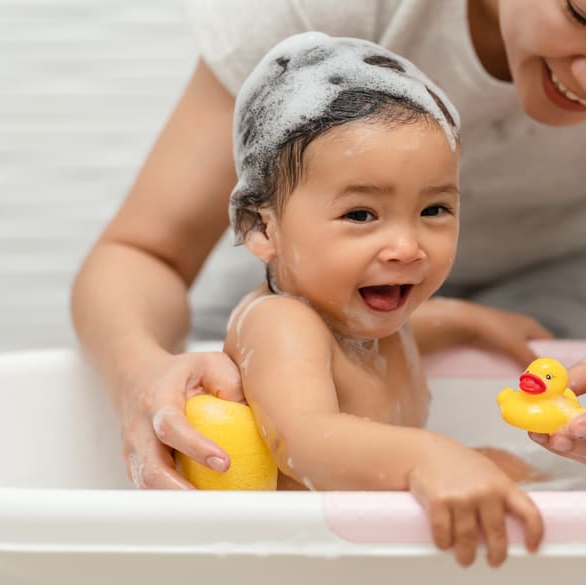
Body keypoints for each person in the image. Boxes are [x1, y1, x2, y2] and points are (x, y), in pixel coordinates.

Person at [71, 0, 586, 492]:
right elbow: (143, 252)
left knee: (543, 462)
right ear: (262, 228)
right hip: (314, 265)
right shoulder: (314, 10)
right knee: (217, 417)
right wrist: (141, 372)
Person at [211, 31, 544, 567]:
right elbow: (306, 440)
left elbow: (416, 329)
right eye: (361, 215)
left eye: (434, 209)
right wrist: (429, 456)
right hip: (304, 562)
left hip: (372, 552)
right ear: (262, 229)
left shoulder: (365, 315)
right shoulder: (281, 323)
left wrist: (475, 324)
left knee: (516, 468)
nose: (407, 247)